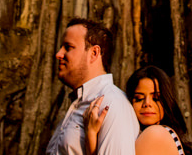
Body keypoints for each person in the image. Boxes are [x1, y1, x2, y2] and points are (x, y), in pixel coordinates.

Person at [46, 17, 140, 155]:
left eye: (68, 47)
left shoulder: (112, 104)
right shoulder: (78, 103)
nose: (59, 54)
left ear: (94, 53)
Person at [85, 66, 192, 155]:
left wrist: (91, 134)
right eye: (139, 98)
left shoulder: (155, 134)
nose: (147, 103)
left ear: (166, 102)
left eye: (155, 98)